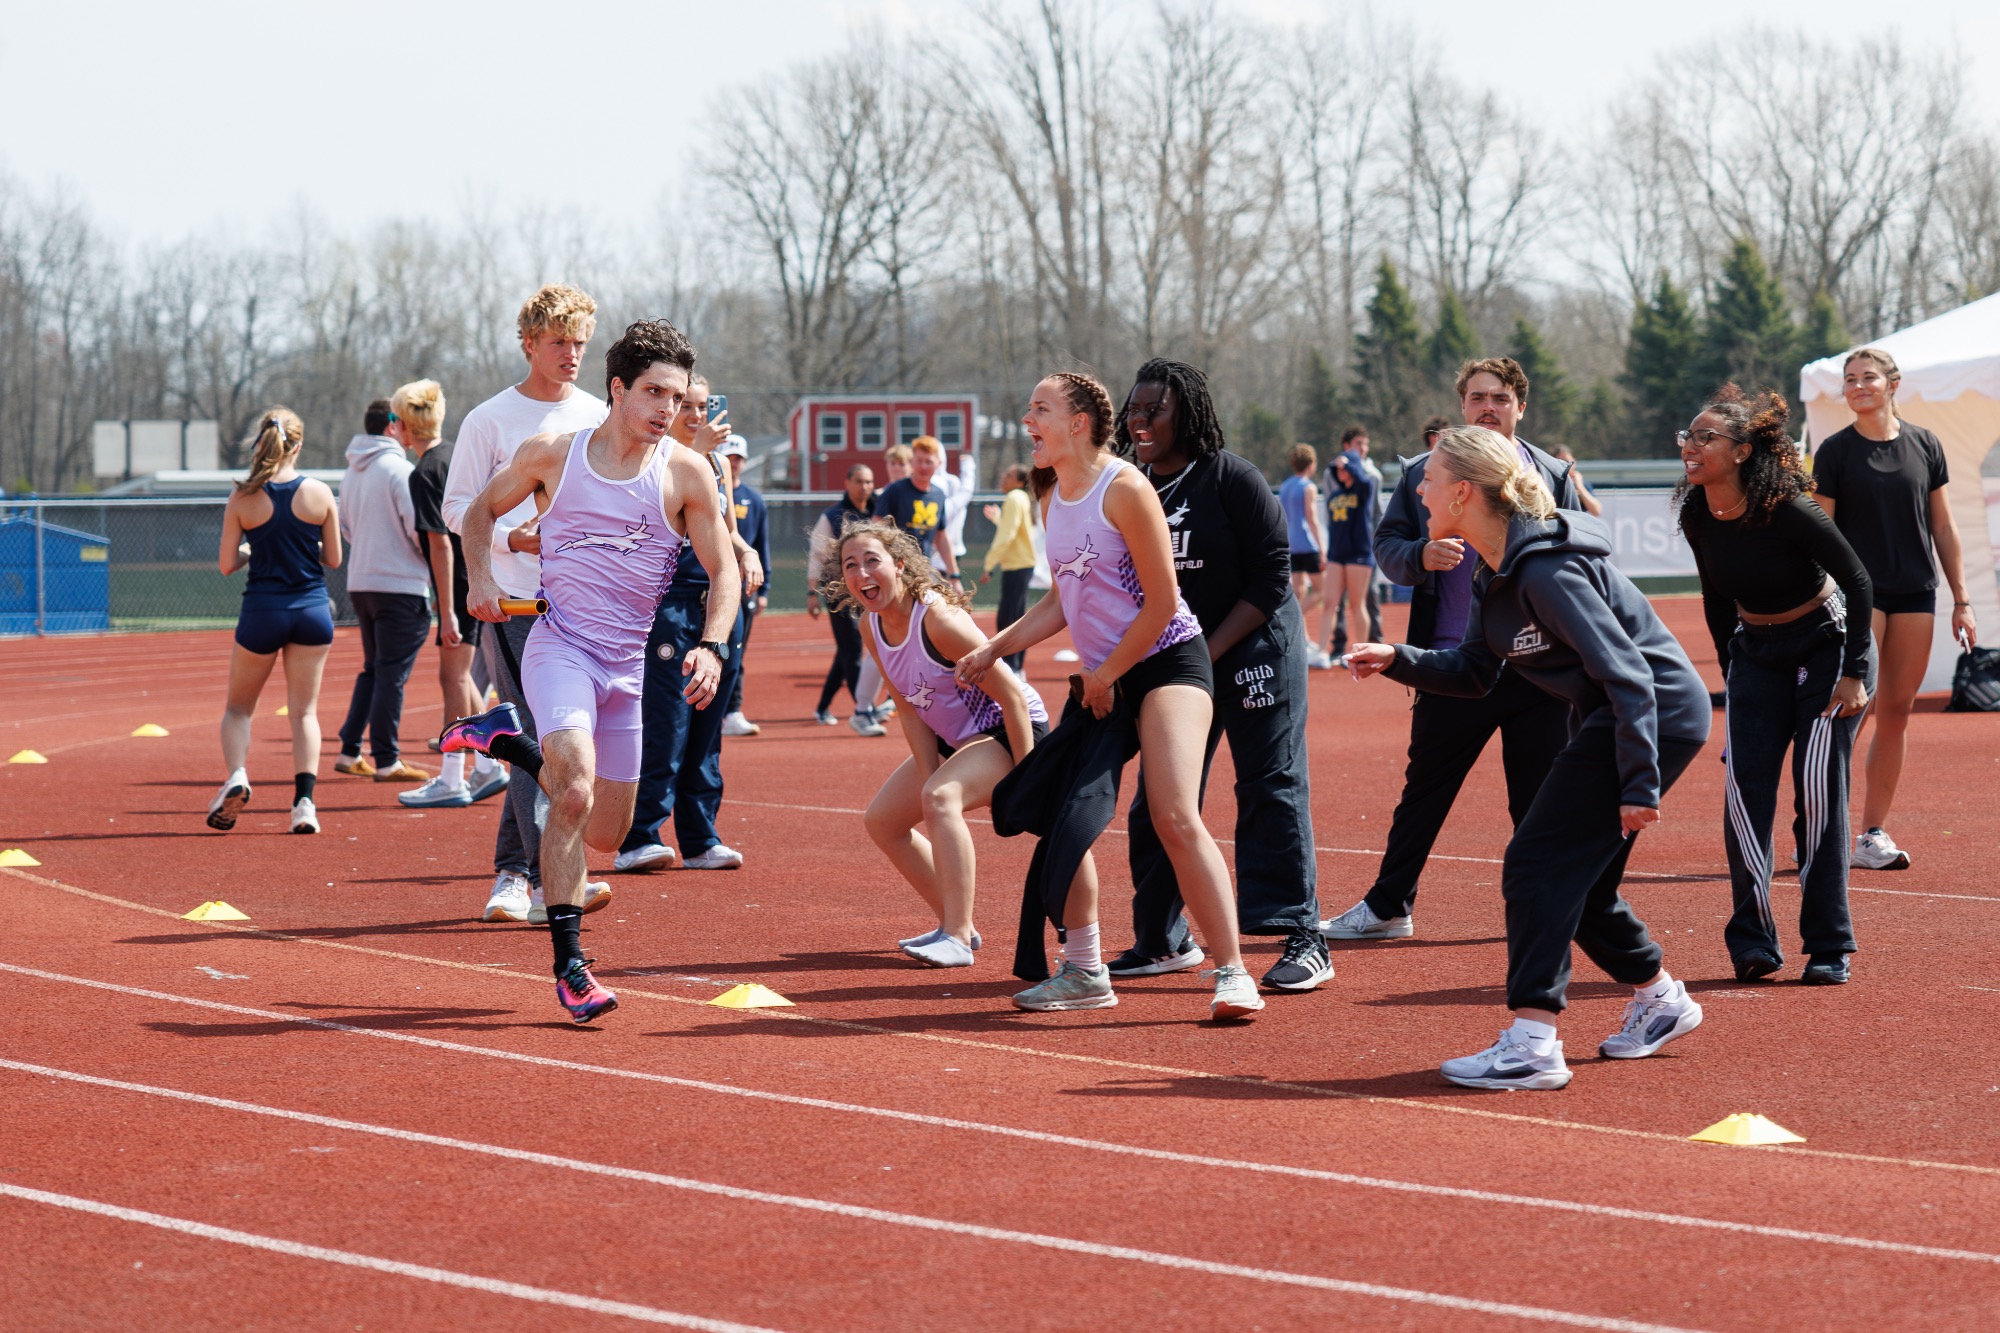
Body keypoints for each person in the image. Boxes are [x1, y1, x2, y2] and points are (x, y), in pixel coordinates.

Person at [1346, 425, 1710, 1089]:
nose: (1418, 490)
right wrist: (1399, 657)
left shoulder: (1546, 568)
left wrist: (1638, 784)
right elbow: (1477, 671)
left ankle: (1533, 1042)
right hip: (1622, 712)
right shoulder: (1499, 569)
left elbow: (1628, 674)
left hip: (1651, 713)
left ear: (1461, 492)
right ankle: (1660, 999)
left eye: (1428, 479)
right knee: (1581, 881)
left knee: (1535, 862)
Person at [449, 319, 740, 1024]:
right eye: (653, 392)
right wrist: (479, 578)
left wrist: (714, 644)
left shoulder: (684, 472)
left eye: (676, 395)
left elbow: (723, 564)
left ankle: (500, 740)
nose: (667, 409)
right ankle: (571, 968)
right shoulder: (553, 453)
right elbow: (478, 512)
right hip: (560, 647)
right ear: (617, 389)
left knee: (608, 832)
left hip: (628, 669)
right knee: (572, 794)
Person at [956, 371, 1263, 1019]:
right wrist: (995, 646)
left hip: (1169, 662)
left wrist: (1105, 673)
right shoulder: (1052, 499)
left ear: (1079, 422)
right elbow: (1061, 597)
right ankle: (1085, 969)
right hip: (1104, 681)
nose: (1027, 419)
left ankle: (1234, 972)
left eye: (1040, 407)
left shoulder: (1125, 488)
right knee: (1065, 820)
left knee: (1175, 813)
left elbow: (1159, 603)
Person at [1322, 357, 1581, 942]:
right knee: (1425, 792)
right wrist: (1420, 556)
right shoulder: (1423, 472)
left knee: (1538, 797)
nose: (1487, 407)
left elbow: (1570, 557)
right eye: (1476, 398)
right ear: (1462, 405)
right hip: (1451, 662)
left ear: (1521, 406)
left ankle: (1552, 905)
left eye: (1500, 398)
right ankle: (1390, 906)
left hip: (1536, 664)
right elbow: (1386, 544)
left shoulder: (1552, 474)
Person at [1108, 359, 1330, 992]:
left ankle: (1303, 935)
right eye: (1135, 408)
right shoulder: (1129, 484)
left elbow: (1272, 574)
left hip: (1256, 642)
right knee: (1161, 796)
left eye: (1157, 409)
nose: (1141, 420)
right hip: (1181, 657)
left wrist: (1209, 646)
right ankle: (1161, 940)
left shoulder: (1231, 477)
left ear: (1190, 414)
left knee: (1270, 783)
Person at [1679, 385, 1873, 986]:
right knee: (1744, 794)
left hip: (1824, 647)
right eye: (1688, 435)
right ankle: (1754, 941)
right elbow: (1715, 597)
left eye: (1705, 437)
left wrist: (1854, 672)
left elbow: (1859, 581)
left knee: (1816, 794)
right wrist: (1729, 670)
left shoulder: (1789, 507)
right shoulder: (1695, 513)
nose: (1691, 445)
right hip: (1755, 655)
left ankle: (1828, 944)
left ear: (1740, 451)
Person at [443, 283, 611, 924]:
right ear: (529, 344)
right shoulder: (490, 419)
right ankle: (540, 881)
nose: (571, 354)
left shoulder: (599, 414)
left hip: (588, 604)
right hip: (516, 603)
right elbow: (455, 508)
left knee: (556, 738)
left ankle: (515, 874)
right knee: (544, 736)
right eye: (558, 342)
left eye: (579, 343)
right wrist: (510, 541)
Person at [836, 521, 1048, 966]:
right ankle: (959, 927)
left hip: (1010, 728)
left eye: (872, 560)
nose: (862, 573)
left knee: (941, 797)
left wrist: (1029, 778)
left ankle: (953, 936)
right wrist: (931, 776)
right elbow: (909, 711)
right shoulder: (870, 627)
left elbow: (1011, 695)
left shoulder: (938, 620)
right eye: (850, 565)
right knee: (884, 822)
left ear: (899, 565)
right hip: (954, 738)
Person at [1813, 347, 1979, 871]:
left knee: (1898, 712)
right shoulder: (1835, 451)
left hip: (1916, 592)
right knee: (1851, 710)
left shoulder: (1925, 444)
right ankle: (1821, 830)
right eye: (1849, 380)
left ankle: (1870, 835)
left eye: (1868, 377)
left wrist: (1962, 599)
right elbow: (1823, 532)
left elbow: (1944, 527)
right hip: (1861, 595)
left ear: (1892, 384)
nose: (1858, 386)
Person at [613, 375, 765, 873]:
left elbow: (726, 531)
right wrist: (694, 453)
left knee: (708, 720)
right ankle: (640, 835)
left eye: (702, 405)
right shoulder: (651, 458)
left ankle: (700, 837)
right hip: (672, 601)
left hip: (718, 603)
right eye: (686, 405)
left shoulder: (715, 464)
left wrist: (745, 553)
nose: (696, 415)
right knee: (668, 721)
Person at [209, 409, 340, 835]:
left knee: (238, 708)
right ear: (297, 445)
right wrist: (303, 545)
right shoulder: (320, 494)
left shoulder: (243, 497)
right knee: (303, 712)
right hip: (312, 612)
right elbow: (333, 559)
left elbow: (227, 563)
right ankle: (305, 804)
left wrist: (257, 551)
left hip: (262, 612)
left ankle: (238, 776)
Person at [394, 380, 508, 809]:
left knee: (454, 678)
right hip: (478, 573)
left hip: (460, 585)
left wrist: (446, 612)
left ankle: (453, 776)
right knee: (464, 680)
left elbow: (440, 543)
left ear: (404, 425)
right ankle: (486, 767)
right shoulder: (454, 454)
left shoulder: (424, 471)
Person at [333, 397, 433, 784]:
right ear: (392, 424)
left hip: (362, 582)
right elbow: (417, 528)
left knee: (374, 669)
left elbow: (346, 528)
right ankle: (387, 758)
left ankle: (349, 749)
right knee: (391, 674)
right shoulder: (399, 470)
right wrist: (429, 566)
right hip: (400, 585)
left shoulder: (351, 472)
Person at [807, 464, 877, 726]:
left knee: (846, 651)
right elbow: (817, 555)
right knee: (852, 650)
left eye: (869, 482)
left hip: (865, 591)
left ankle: (822, 707)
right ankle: (865, 708)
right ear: (847, 483)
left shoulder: (876, 512)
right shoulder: (833, 516)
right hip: (837, 592)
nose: (865, 487)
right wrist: (812, 592)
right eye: (859, 481)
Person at [719, 435, 769, 738]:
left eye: (739, 457)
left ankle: (733, 710)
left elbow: (761, 544)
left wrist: (765, 588)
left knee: (737, 652)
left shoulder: (754, 499)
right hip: (713, 583)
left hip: (744, 587)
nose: (734, 463)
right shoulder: (710, 489)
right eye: (730, 456)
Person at [1321, 442, 1378, 660]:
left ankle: (1360, 651)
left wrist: (1350, 463)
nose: (1342, 472)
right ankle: (1321, 652)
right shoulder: (1334, 495)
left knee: (1357, 604)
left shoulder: (1363, 489)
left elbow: (1363, 480)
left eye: (1346, 469)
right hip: (1337, 555)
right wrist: (1336, 464)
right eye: (1340, 470)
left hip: (1359, 554)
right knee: (1329, 602)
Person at [980, 463, 1038, 674]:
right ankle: (1016, 667)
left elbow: (1007, 536)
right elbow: (1011, 530)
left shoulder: (1014, 497)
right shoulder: (1020, 498)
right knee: (1014, 617)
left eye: (1009, 475)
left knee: (1008, 619)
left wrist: (989, 564)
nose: (1004, 476)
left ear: (1020, 482)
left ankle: (1012, 668)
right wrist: (998, 519)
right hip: (1021, 565)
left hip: (1017, 566)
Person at [1279, 445, 1329, 668]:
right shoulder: (1308, 487)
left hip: (1291, 545)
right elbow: (1312, 518)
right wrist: (1322, 548)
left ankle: (1304, 639)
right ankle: (1295, 619)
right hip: (1307, 545)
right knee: (1321, 592)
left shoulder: (1286, 486)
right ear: (1311, 464)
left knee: (1299, 592)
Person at [1552, 444, 1603, 516]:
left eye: (1568, 461)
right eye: (1560, 462)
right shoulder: (1549, 483)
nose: (1565, 465)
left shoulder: (1583, 485)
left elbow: (1597, 511)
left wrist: (1580, 487)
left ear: (1574, 462)